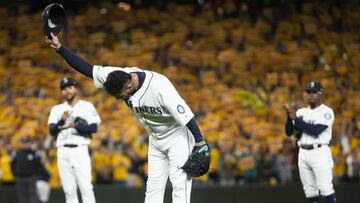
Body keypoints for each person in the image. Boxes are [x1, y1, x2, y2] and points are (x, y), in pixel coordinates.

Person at [46, 33, 209, 203]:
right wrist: (59, 48)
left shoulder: (160, 87)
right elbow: (87, 69)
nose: (120, 98)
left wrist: (200, 142)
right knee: (153, 188)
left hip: (178, 136)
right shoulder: (116, 75)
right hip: (156, 138)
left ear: (130, 85)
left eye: (121, 95)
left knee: (179, 187)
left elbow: (187, 115)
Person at [48, 77, 101, 203]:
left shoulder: (87, 106)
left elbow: (93, 128)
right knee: (69, 190)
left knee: (86, 188)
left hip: (80, 149)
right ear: (61, 92)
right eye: (64, 89)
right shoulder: (57, 109)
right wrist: (61, 121)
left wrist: (75, 125)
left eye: (70, 87)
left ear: (75, 88)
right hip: (62, 151)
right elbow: (52, 131)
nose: (67, 91)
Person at [283, 81, 336, 203]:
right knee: (310, 191)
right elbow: (289, 132)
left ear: (320, 94)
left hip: (319, 152)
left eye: (313, 92)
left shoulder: (327, 112)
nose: (310, 95)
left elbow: (316, 130)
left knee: (325, 189)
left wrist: (295, 118)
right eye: (308, 92)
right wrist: (288, 116)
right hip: (303, 153)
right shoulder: (301, 112)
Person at [11, 136, 41, 203]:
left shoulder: (34, 153)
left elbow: (39, 164)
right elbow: (12, 164)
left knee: (33, 196)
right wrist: (15, 175)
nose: (25, 144)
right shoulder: (16, 153)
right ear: (21, 143)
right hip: (20, 178)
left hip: (31, 177)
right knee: (22, 197)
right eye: (23, 143)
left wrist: (36, 175)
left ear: (30, 143)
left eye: (27, 143)